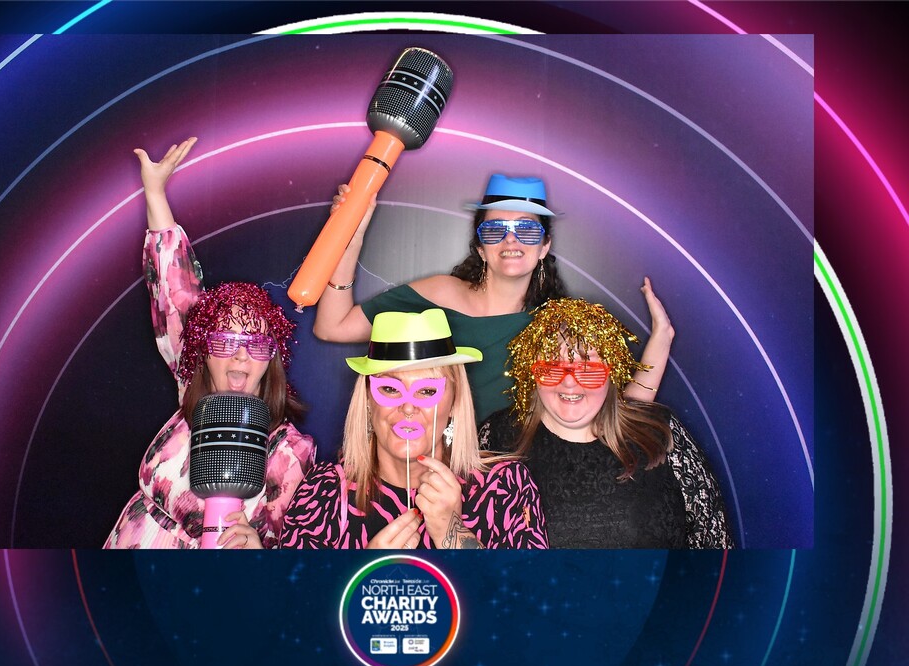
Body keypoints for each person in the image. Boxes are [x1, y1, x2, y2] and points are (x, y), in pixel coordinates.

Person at [312, 174, 674, 423]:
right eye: (495, 230)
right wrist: (351, 234)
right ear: (481, 247)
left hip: (514, 485)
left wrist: (662, 339)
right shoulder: (439, 293)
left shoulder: (556, 324)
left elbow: (616, 414)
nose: (510, 240)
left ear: (544, 247)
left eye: (527, 230)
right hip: (432, 468)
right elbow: (332, 327)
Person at [104, 137, 315, 549]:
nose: (240, 355)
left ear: (271, 358)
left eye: (255, 343)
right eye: (225, 341)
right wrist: (155, 193)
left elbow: (285, 546)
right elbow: (173, 289)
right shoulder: (192, 391)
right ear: (203, 351)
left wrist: (257, 546)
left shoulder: (291, 451)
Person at [280, 309, 548, 549]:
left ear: (454, 403)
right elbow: (291, 590)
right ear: (368, 401)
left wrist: (452, 534)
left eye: (427, 391)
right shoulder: (324, 493)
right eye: (389, 389)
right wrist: (365, 570)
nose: (408, 407)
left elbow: (528, 589)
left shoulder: (504, 489)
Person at [479, 297, 732, 549]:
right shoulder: (497, 438)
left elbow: (715, 547)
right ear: (533, 372)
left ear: (612, 372)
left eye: (588, 369)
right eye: (553, 366)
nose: (569, 382)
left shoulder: (659, 433)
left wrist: (662, 336)